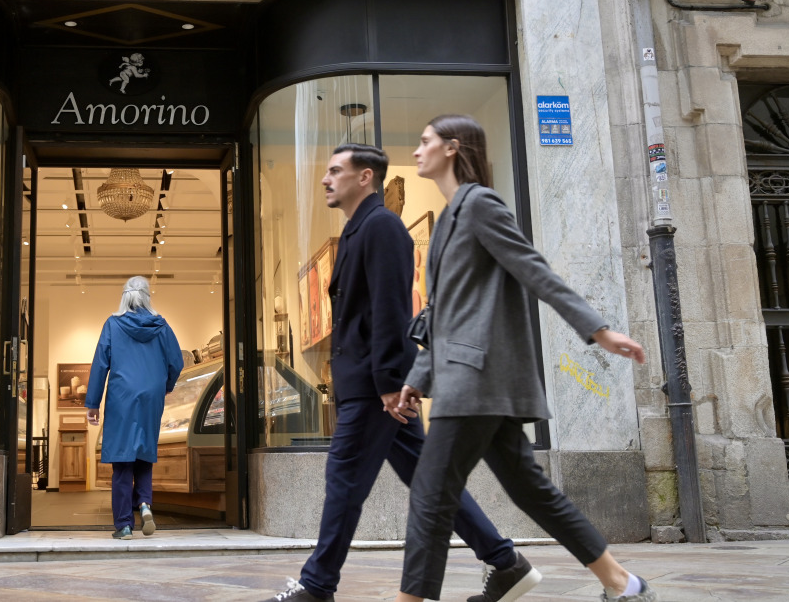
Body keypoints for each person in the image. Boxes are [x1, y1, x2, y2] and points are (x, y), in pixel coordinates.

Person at [394, 115, 655, 602]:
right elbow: (443, 312)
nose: (416, 150)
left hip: (475, 382)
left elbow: (534, 270)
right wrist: (419, 375)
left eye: (425, 141)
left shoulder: (479, 205)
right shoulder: (451, 214)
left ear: (452, 148)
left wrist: (597, 330)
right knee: (532, 492)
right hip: (473, 379)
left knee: (431, 496)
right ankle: (624, 584)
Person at [264, 143, 540, 602]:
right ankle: (505, 562)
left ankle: (316, 585)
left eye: (336, 170)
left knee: (344, 481)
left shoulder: (383, 228)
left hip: (376, 387)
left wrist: (391, 383)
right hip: (375, 383)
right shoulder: (359, 229)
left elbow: (391, 310)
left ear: (365, 176)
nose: (326, 179)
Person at [84, 276, 184, 541]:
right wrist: (166, 385)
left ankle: (124, 525)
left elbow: (100, 364)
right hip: (151, 397)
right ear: (147, 296)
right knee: (144, 456)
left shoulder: (113, 324)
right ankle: (145, 505)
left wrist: (93, 403)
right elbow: (177, 361)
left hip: (122, 397)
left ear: (124, 296)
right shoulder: (162, 326)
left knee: (122, 461)